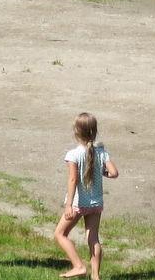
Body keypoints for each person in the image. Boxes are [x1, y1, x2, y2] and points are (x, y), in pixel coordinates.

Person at [54, 110, 118, 279]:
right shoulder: (101, 152)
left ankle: (78, 266)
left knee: (60, 234)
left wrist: (68, 205)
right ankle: (96, 276)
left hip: (78, 203)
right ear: (94, 131)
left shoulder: (73, 155)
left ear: (76, 132)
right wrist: (101, 173)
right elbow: (114, 173)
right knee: (93, 238)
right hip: (96, 203)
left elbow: (73, 179)